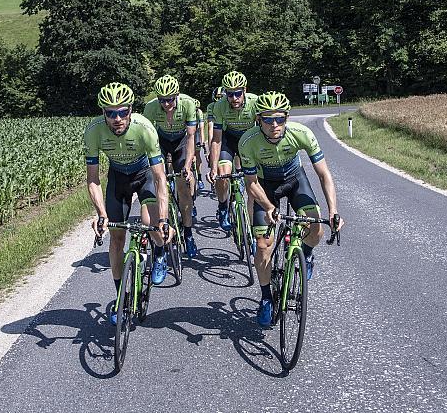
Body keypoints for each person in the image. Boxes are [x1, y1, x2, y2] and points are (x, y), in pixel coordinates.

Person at [238, 91, 344, 327]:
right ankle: (266, 298)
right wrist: (267, 207)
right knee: (264, 245)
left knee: (316, 229)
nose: (274, 125)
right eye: (267, 119)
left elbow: (324, 174)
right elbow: (251, 184)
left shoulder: (301, 133)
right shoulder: (248, 141)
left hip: (295, 180)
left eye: (279, 119)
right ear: (259, 120)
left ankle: (305, 254)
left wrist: (333, 211)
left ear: (286, 118)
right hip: (265, 187)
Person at [85, 82, 173, 325]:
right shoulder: (93, 131)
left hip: (144, 174)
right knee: (116, 238)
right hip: (118, 178)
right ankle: (120, 298)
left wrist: (163, 219)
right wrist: (101, 214)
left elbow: (159, 178)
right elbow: (92, 179)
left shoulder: (144, 128)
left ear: (131, 110)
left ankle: (161, 252)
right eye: (110, 113)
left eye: (123, 112)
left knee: (152, 224)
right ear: (103, 113)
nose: (117, 118)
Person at [144, 74, 199, 259]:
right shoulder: (151, 108)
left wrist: (188, 165)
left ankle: (188, 234)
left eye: (169, 100)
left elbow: (191, 137)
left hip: (181, 142)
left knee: (183, 187)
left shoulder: (188, 104)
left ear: (176, 96)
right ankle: (163, 226)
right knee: (158, 183)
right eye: (162, 100)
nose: (166, 104)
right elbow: (146, 139)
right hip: (160, 142)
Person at [207, 71, 258, 231]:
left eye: (238, 93)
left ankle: (253, 227)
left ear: (244, 90)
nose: (234, 98)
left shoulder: (255, 102)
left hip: (248, 141)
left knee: (254, 187)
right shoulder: (219, 106)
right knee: (222, 175)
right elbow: (216, 139)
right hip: (228, 141)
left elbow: (263, 131)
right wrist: (213, 168)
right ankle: (223, 206)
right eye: (230, 94)